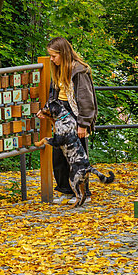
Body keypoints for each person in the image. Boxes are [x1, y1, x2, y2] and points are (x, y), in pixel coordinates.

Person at [37, 37, 98, 201]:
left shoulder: (79, 71)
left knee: (78, 156)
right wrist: (46, 110)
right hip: (61, 113)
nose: (51, 59)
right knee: (59, 154)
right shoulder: (57, 70)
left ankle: (83, 192)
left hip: (75, 113)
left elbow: (86, 100)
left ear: (63, 54)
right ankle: (66, 190)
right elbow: (53, 94)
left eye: (54, 56)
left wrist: (83, 124)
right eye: (50, 56)